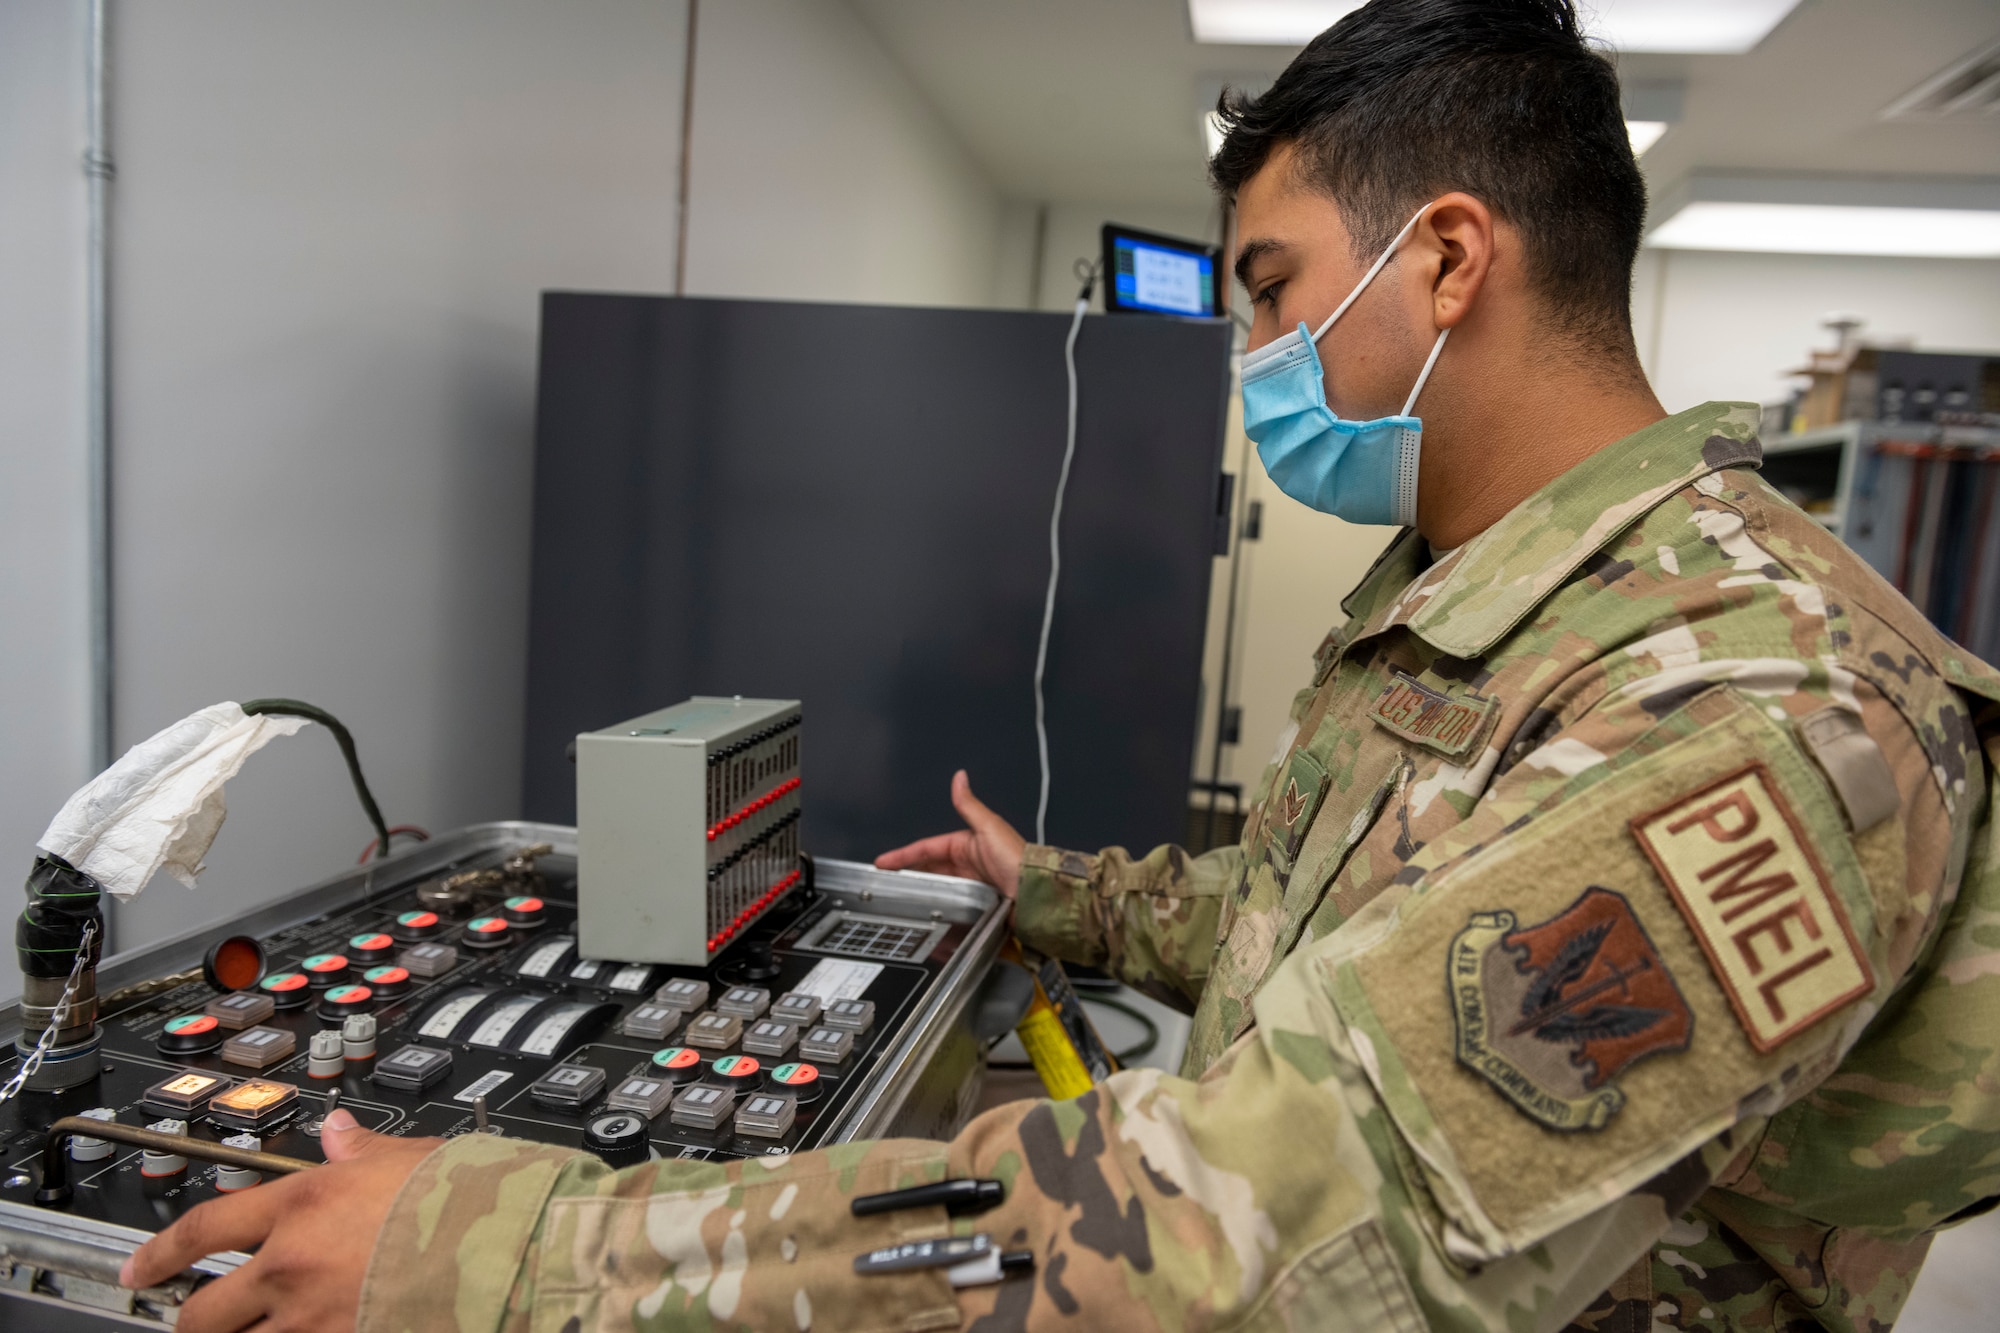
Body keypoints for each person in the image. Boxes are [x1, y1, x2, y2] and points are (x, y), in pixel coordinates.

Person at [126, 0, 2000, 1328]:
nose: (1249, 346)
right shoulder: (1463, 592)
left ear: (1445, 260)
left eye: (1267, 287)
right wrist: (1068, 896)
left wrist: (504, 1255)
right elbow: (1322, 919)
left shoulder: (1761, 700)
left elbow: (1237, 1242)